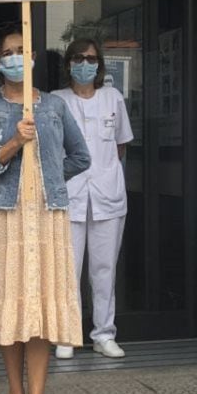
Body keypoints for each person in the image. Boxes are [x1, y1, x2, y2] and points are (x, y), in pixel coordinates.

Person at [0, 24, 90, 394]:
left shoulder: (54, 106)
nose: (17, 57)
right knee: (10, 305)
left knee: (40, 306)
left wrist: (49, 179)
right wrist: (12, 144)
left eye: (23, 50)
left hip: (46, 215)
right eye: (9, 51)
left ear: (34, 56)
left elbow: (81, 156)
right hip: (2, 215)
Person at [51, 38, 133, 359]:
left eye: (91, 58)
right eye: (78, 58)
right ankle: (66, 336)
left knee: (104, 269)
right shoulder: (56, 101)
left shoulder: (113, 98)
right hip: (69, 195)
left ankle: (103, 334)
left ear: (99, 64)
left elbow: (120, 145)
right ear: (68, 63)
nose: (85, 64)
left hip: (107, 195)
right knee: (67, 269)